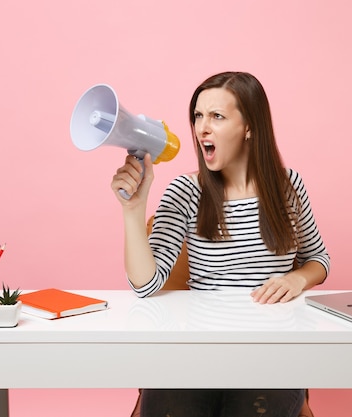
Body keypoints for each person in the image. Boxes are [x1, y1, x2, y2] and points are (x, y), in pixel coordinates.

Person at [111, 71, 330, 417]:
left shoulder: (288, 186)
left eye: (217, 116)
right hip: (194, 351)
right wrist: (133, 211)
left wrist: (296, 278)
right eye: (198, 116)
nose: (202, 128)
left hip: (270, 351)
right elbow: (146, 284)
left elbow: (317, 259)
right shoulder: (185, 191)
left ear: (249, 127)